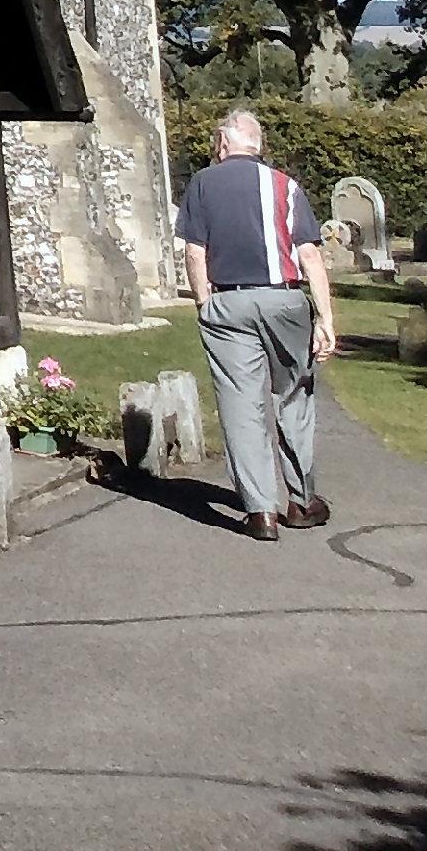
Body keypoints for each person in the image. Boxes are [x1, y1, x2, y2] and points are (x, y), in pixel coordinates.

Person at [178, 106, 336, 538]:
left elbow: (194, 251)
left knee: (240, 404)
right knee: (294, 395)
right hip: (284, 299)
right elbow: (309, 255)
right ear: (258, 145)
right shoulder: (285, 185)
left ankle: (260, 511)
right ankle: (301, 502)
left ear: (223, 142)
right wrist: (325, 318)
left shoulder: (202, 183)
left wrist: (204, 301)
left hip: (228, 302)